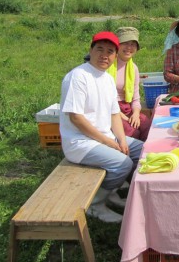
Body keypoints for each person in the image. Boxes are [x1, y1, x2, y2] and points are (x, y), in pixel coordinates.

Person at [60, 31, 144, 223]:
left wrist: (122, 140)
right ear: (91, 50)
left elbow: (114, 114)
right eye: (100, 49)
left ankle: (113, 191)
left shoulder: (107, 79)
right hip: (80, 143)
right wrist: (109, 142)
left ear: (115, 56)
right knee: (123, 164)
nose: (104, 55)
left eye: (110, 51)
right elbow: (76, 118)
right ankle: (95, 205)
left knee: (142, 151)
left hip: (105, 138)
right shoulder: (78, 76)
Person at [109, 27, 151, 142]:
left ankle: (146, 155)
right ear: (117, 45)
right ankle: (129, 157)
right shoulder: (107, 65)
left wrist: (136, 114)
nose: (129, 48)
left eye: (133, 44)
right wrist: (123, 117)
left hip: (128, 108)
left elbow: (136, 98)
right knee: (133, 131)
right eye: (125, 43)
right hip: (110, 109)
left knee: (147, 126)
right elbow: (104, 100)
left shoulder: (133, 68)